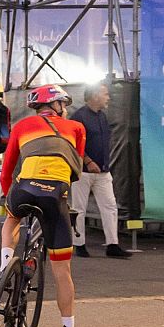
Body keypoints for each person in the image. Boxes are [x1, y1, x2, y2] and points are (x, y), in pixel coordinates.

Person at [0, 84, 88, 327]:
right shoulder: (77, 127)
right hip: (55, 194)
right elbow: (78, 169)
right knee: (63, 273)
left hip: (24, 188)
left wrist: (7, 196)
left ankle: (5, 267)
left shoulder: (22, 126)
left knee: (12, 219)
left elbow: (7, 166)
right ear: (59, 105)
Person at [68, 84, 129, 259]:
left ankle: (112, 244)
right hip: (83, 172)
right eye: (105, 94)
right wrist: (88, 161)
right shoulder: (78, 117)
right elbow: (73, 143)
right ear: (95, 96)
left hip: (102, 171)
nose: (108, 97)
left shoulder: (102, 116)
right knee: (79, 208)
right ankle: (79, 244)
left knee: (110, 206)